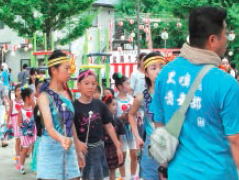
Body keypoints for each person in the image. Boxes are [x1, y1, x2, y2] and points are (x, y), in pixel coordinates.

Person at [150, 7, 239, 180]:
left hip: (178, 174)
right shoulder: (226, 83)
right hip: (218, 174)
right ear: (213, 40)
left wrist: (164, 166)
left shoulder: (166, 74)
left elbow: (160, 126)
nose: (227, 41)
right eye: (225, 35)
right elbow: (235, 139)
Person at [37, 50, 81, 180]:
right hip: (51, 148)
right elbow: (49, 128)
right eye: (66, 68)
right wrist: (62, 139)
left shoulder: (68, 93)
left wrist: (78, 149)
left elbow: (70, 122)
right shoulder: (44, 97)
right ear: (54, 70)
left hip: (69, 145)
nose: (70, 72)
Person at [73, 70, 123, 180]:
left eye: (93, 83)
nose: (90, 86)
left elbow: (108, 126)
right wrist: (77, 144)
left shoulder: (99, 104)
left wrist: (118, 146)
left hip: (98, 149)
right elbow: (70, 131)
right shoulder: (73, 107)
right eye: (86, 83)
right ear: (78, 85)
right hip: (81, 150)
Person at [128, 52, 166, 180]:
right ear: (146, 73)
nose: (158, 71)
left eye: (162, 67)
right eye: (153, 68)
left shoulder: (173, 94)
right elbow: (131, 114)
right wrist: (137, 137)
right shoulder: (141, 97)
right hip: (151, 146)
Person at [113, 72, 138, 180]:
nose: (129, 86)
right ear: (120, 87)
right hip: (120, 132)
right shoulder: (114, 100)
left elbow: (137, 114)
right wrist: (121, 117)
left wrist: (136, 115)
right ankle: (122, 177)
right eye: (127, 84)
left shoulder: (132, 99)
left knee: (134, 154)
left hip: (131, 130)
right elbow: (111, 118)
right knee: (122, 156)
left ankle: (133, 176)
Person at [102, 94, 125, 180]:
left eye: (116, 105)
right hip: (103, 148)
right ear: (106, 106)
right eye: (113, 105)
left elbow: (120, 136)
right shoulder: (100, 121)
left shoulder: (117, 121)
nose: (115, 107)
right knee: (104, 171)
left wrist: (120, 148)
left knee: (113, 170)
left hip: (113, 148)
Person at [16, 86, 36, 174]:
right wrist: (25, 126)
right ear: (27, 98)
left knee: (35, 149)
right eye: (32, 96)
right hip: (25, 133)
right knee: (25, 149)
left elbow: (37, 116)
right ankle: (21, 165)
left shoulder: (33, 107)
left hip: (33, 131)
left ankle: (35, 165)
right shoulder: (21, 110)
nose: (34, 98)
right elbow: (19, 123)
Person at [7, 84, 23, 165]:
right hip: (15, 122)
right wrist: (8, 122)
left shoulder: (25, 101)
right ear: (15, 92)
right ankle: (17, 156)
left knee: (23, 140)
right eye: (17, 91)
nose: (19, 92)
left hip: (23, 122)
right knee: (17, 140)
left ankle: (21, 154)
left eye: (20, 90)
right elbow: (9, 113)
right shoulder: (12, 102)